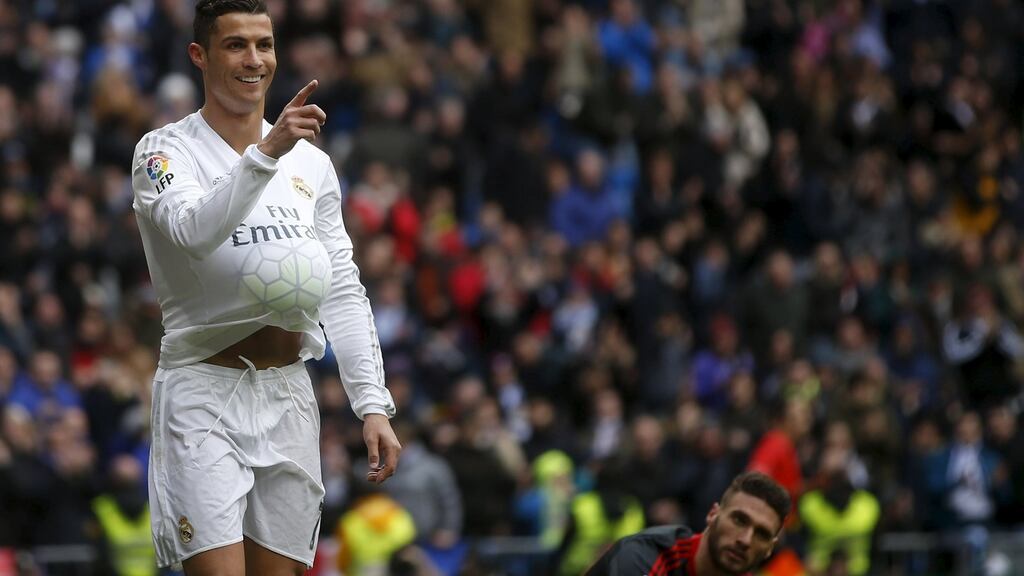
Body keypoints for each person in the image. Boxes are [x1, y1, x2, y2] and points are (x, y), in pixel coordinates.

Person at [129, 1, 400, 574]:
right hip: (204, 392)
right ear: (199, 55)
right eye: (236, 45)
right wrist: (265, 155)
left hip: (289, 397)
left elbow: (342, 287)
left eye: (265, 45)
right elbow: (192, 231)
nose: (255, 60)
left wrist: (371, 403)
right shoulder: (162, 152)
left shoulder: (312, 164)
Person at [584, 471, 790, 576]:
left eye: (761, 534)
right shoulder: (644, 558)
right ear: (713, 515)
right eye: (739, 520)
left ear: (769, 549)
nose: (745, 540)